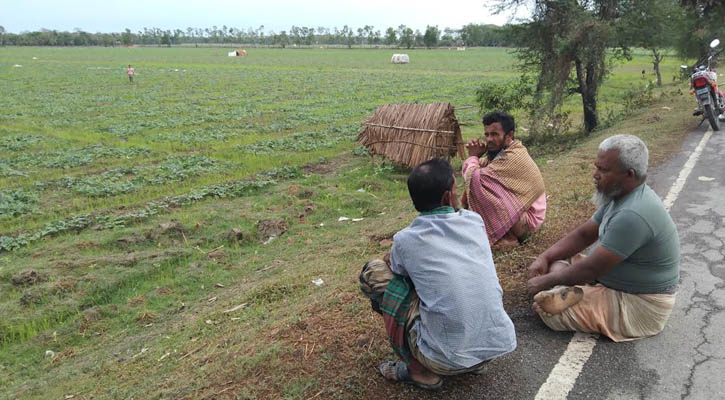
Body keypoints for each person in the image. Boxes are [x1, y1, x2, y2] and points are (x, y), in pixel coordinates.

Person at [359, 158, 516, 390]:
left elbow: (395, 269)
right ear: (447, 197)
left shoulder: (405, 239)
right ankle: (473, 359)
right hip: (494, 348)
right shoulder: (474, 221)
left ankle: (418, 371)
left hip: (443, 361)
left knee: (373, 274)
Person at [527, 134, 680, 342]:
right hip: (613, 280)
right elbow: (582, 235)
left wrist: (543, 281)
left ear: (629, 174)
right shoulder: (620, 195)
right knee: (559, 259)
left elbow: (591, 269)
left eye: (604, 170)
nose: (595, 175)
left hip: (642, 304)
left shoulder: (633, 215)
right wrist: (544, 257)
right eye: (596, 167)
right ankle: (567, 289)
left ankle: (567, 291)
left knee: (544, 311)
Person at [461, 111, 546, 247]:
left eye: (494, 134)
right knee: (480, 187)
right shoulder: (500, 155)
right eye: (487, 134)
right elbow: (475, 171)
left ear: (509, 135)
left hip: (528, 222)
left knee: (484, 188)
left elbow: (476, 178)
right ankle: (501, 234)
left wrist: (473, 156)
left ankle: (509, 239)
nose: (489, 139)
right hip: (518, 216)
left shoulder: (514, 156)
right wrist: (476, 158)